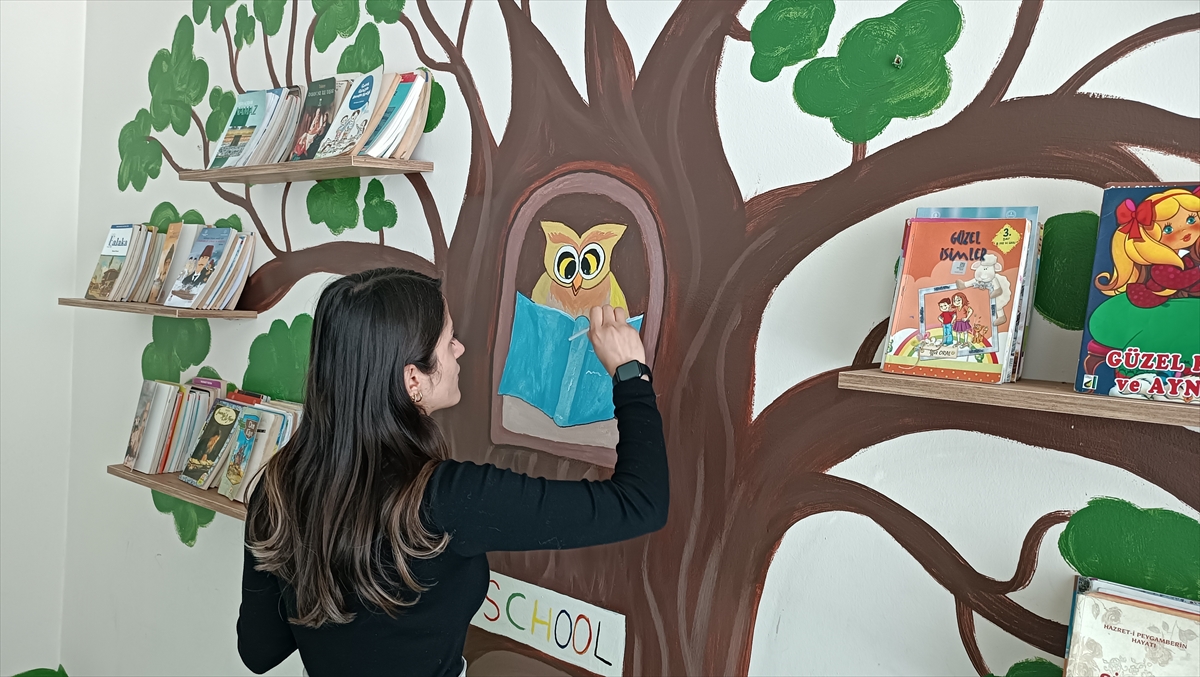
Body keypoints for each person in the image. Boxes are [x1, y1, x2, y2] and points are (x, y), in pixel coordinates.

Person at [237, 268, 667, 677]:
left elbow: (260, 651)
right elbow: (641, 503)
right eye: (448, 341)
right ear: (413, 379)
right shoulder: (447, 498)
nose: (459, 349)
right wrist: (630, 373)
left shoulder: (279, 486)